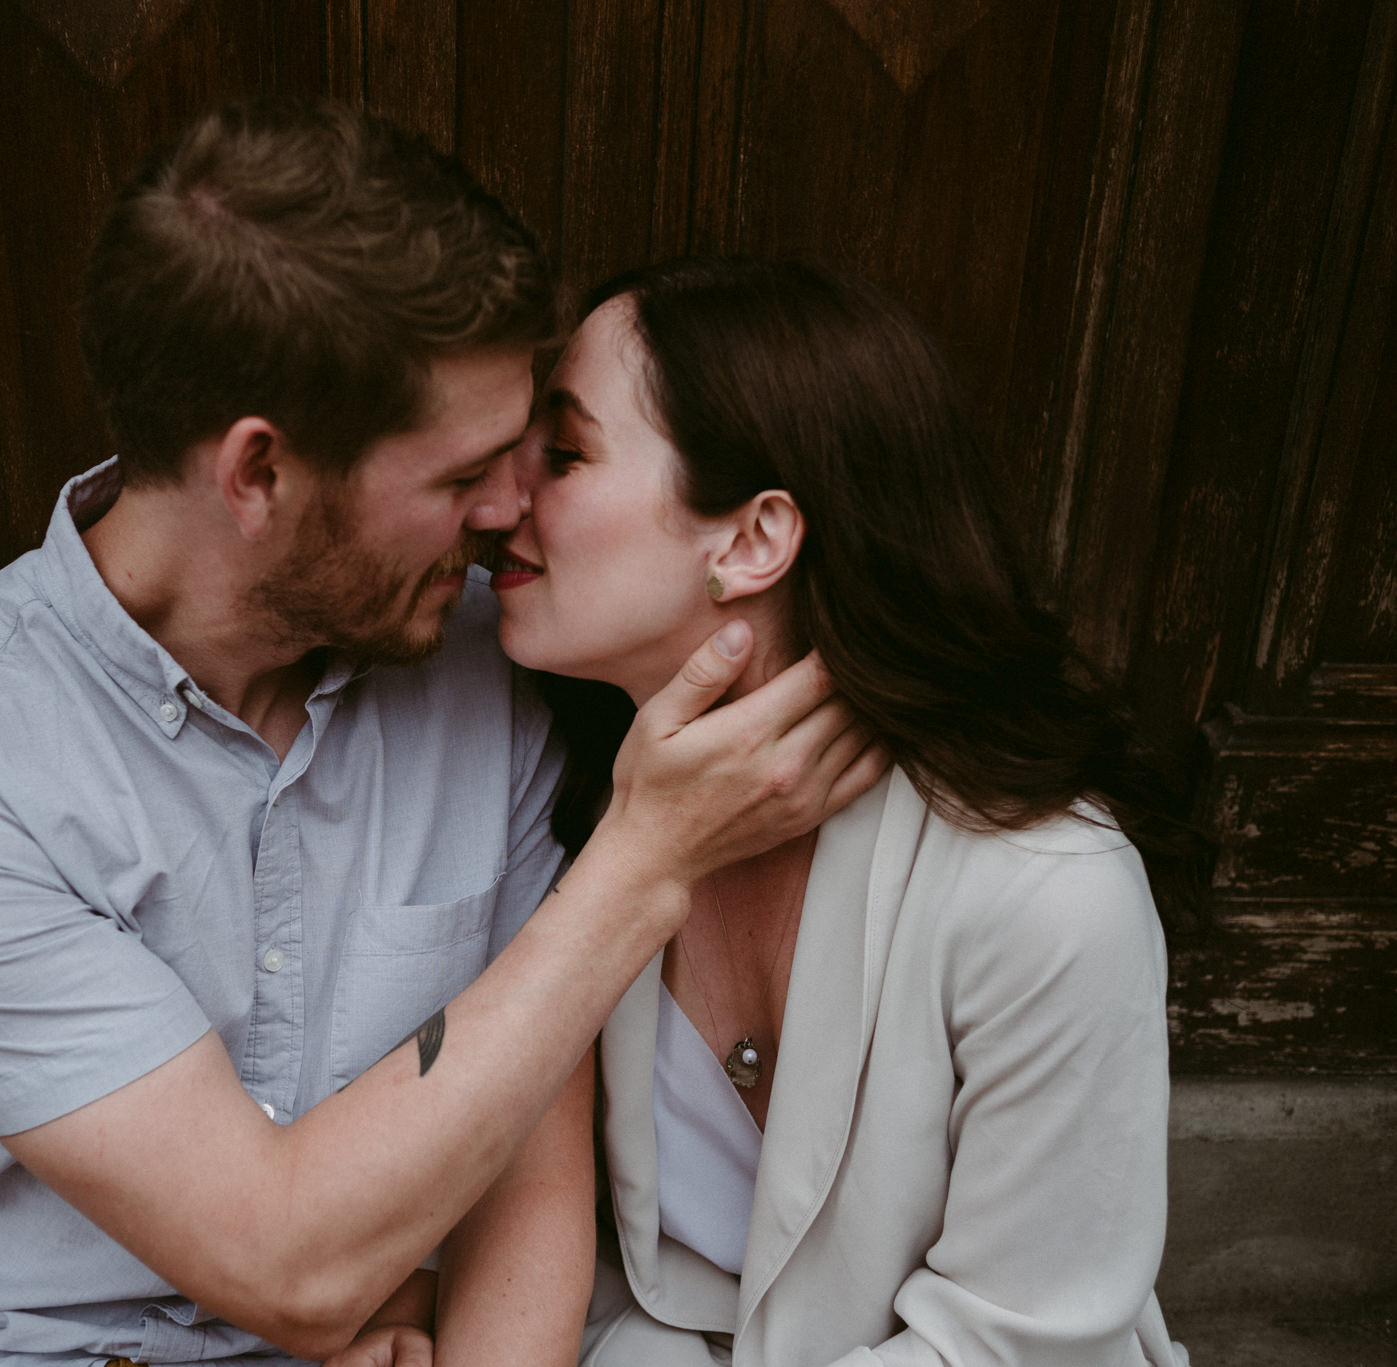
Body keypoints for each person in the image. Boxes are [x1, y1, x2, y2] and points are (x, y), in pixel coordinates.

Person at [0, 106, 882, 1367]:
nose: (512, 509)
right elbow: (284, 1262)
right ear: (258, 473)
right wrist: (644, 859)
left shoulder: (504, 660)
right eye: (461, 471)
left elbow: (528, 1161)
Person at [486, 257, 1195, 1366]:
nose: (499, 497)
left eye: (564, 453)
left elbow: (1020, 1345)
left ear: (752, 540)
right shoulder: (551, 791)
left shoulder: (1045, 892)